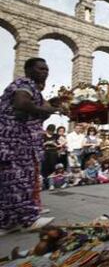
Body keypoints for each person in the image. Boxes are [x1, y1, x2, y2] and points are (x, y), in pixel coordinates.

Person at [0, 58, 58, 234]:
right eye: (41, 68)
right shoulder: (24, 82)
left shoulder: (32, 89)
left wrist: (49, 107)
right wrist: (46, 109)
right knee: (20, 179)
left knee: (10, 182)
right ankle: (28, 220)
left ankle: (7, 223)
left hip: (17, 141)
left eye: (47, 69)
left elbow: (34, 115)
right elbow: (21, 103)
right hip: (14, 141)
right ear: (29, 69)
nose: (45, 72)